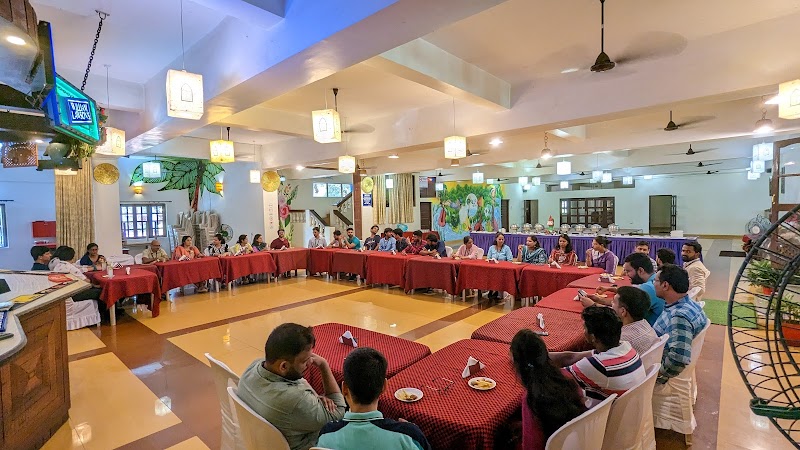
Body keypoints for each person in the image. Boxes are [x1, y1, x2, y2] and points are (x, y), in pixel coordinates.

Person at [238, 323, 346, 450]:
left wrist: (313, 399)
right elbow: (339, 411)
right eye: (304, 361)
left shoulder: (253, 368)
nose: (310, 363)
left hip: (259, 440)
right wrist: (324, 365)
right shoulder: (295, 399)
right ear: (283, 366)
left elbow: (299, 384)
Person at [318, 348, 432, 450]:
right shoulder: (408, 437)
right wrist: (411, 430)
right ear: (384, 387)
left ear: (344, 389)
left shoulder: (326, 436)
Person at [550, 306, 646, 405]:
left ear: (593, 337)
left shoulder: (598, 365)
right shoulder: (626, 348)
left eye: (584, 328)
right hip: (628, 408)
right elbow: (570, 357)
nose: (583, 332)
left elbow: (555, 377)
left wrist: (540, 355)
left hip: (602, 413)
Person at [511, 329, 587, 449]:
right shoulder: (566, 376)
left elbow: (531, 446)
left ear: (517, 365)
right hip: (579, 442)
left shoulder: (531, 397)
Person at [652, 264, 708, 384]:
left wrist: (655, 375)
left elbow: (678, 359)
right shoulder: (690, 305)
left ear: (665, 285)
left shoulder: (678, 317)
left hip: (663, 378)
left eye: (655, 281)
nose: (653, 284)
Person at [580, 253, 665, 325]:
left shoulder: (648, 288)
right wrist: (600, 300)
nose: (626, 274)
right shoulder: (653, 280)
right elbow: (627, 300)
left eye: (628, 271)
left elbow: (621, 313)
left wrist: (593, 306)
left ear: (640, 270)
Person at [611, 286, 660, 356]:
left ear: (623, 311)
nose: (611, 304)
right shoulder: (644, 323)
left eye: (613, 302)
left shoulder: (622, 341)